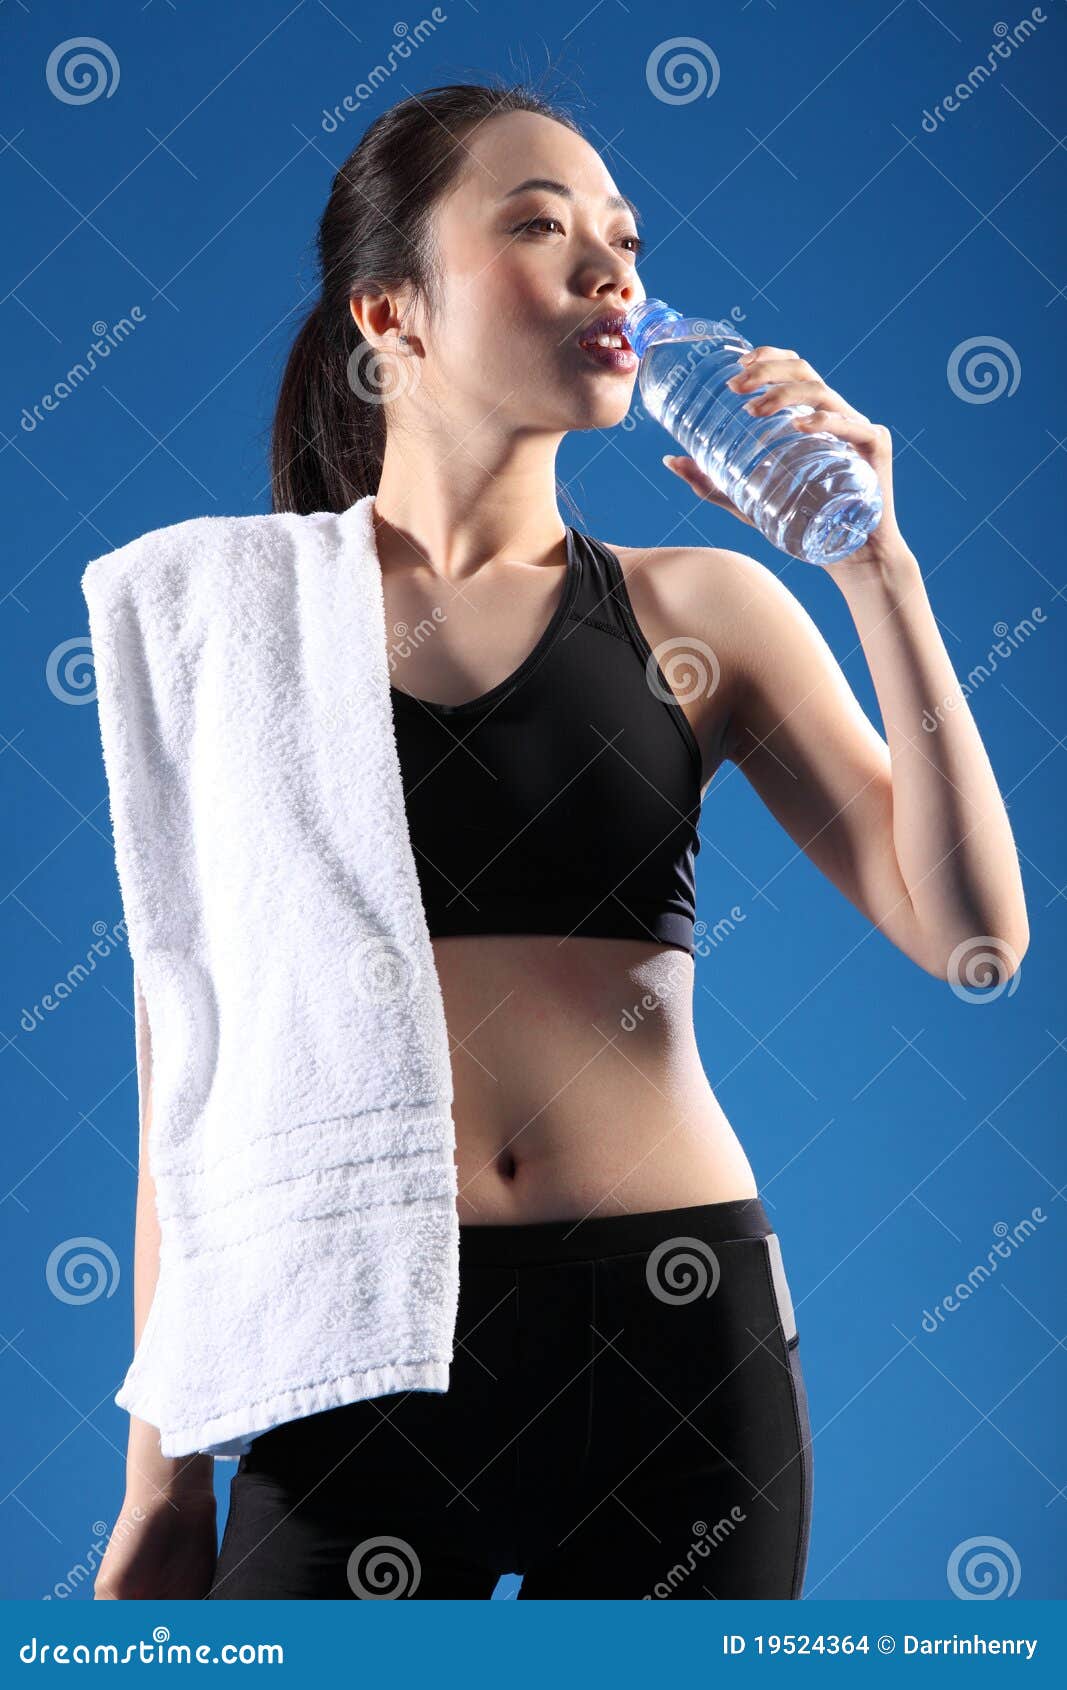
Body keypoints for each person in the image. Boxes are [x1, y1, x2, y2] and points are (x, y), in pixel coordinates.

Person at [94, 79, 1029, 1601]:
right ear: (389, 312)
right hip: (352, 1345)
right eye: (541, 228)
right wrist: (161, 1476)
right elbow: (187, 1062)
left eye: (626, 239)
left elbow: (972, 931)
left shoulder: (701, 610)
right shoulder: (237, 630)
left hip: (678, 1344)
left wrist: (882, 574)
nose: (614, 272)